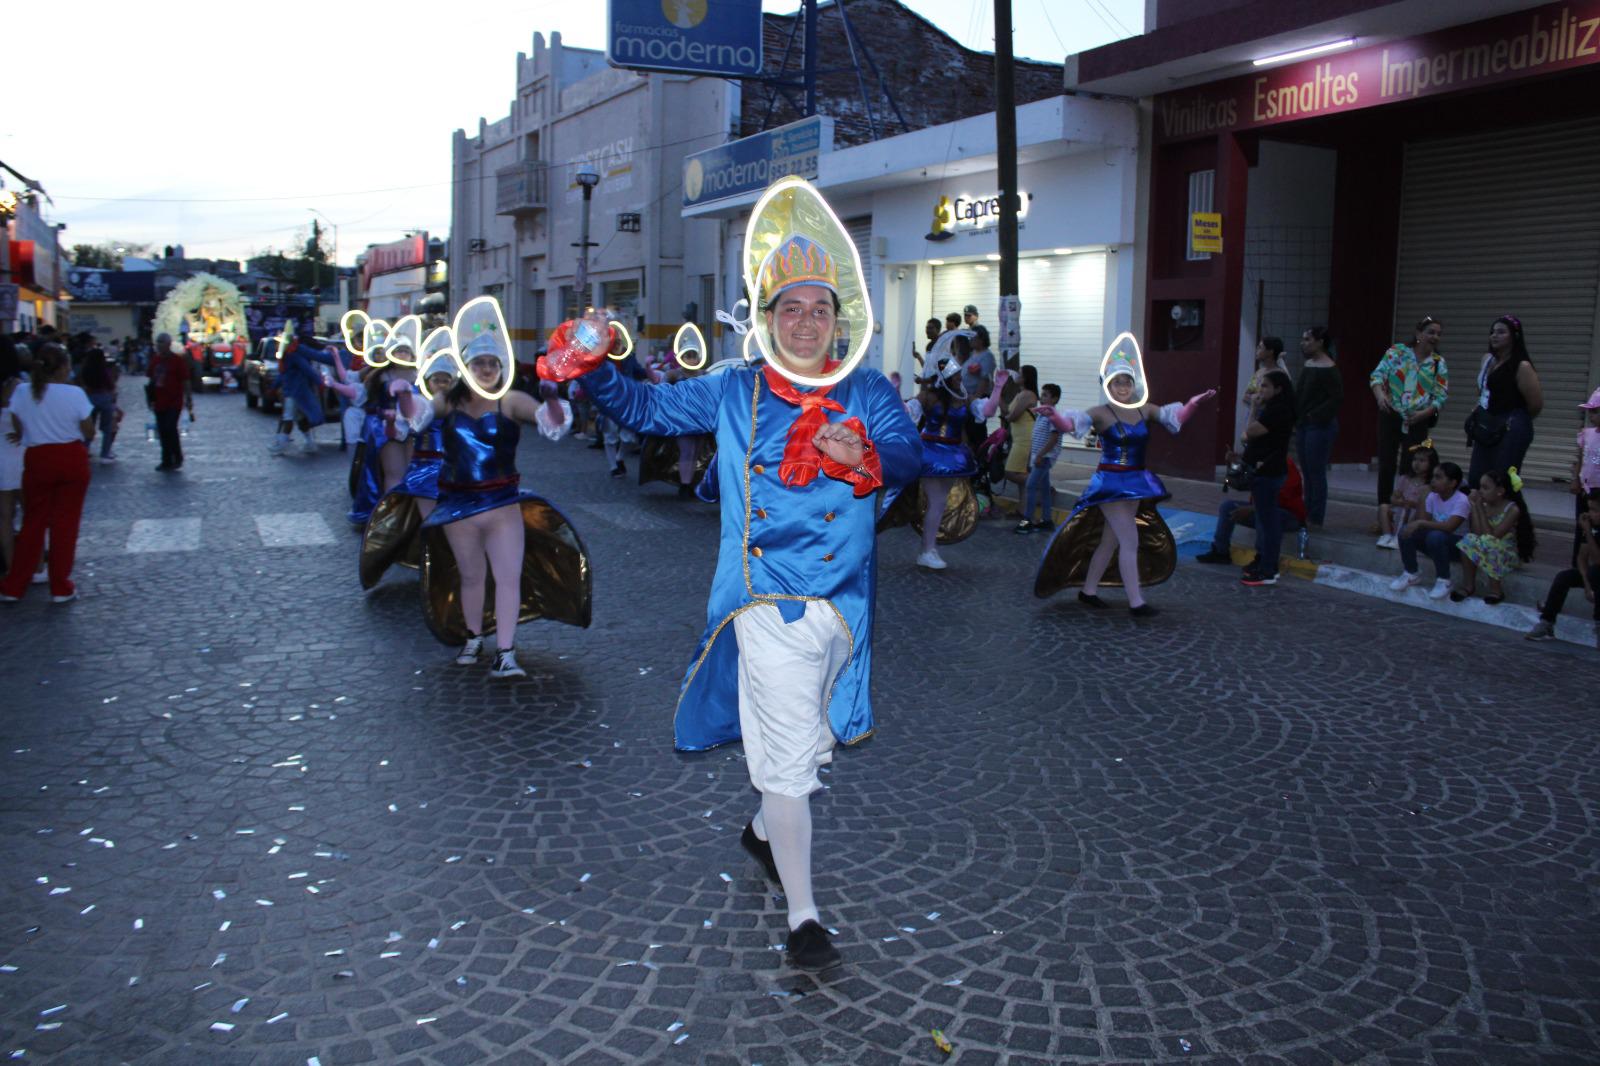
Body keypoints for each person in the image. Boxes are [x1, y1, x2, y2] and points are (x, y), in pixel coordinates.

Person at [539, 197, 921, 972]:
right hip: (763, 602)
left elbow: (912, 458)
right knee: (788, 755)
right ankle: (804, 915)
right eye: (792, 308)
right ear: (769, 316)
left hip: (844, 608)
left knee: (807, 749)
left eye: (821, 309)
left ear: (838, 319)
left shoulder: (870, 391)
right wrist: (596, 364)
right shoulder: (732, 389)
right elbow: (644, 407)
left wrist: (862, 459)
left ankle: (759, 831)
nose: (807, 323)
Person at [413, 309, 591, 678]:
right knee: (472, 576)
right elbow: (415, 419)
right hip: (458, 506)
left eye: (493, 363)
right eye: (479, 363)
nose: (487, 370)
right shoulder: (449, 400)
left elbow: (552, 425)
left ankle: (505, 652)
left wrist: (553, 399)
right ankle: (474, 637)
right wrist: (402, 397)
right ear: (467, 366)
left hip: (502, 503)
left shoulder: (508, 401)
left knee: (508, 576)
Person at [1032, 341, 1216, 614]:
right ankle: (1136, 602)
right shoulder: (1100, 413)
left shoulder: (1145, 410)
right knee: (1130, 540)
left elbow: (1174, 418)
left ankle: (1089, 590)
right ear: (1108, 385)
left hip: (1136, 482)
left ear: (1134, 384)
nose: (1122, 387)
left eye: (1127, 382)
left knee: (1112, 539)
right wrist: (1055, 416)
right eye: (1117, 383)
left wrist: (1191, 404)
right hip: (1111, 483)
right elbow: (1070, 426)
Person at [0, 345, 95, 604]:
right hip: (70, 459)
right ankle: (60, 587)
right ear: (64, 367)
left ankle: (14, 585)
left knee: (33, 522)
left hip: (38, 458)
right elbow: (88, 431)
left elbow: (18, 424)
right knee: (65, 525)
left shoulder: (22, 392)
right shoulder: (74, 394)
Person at [909, 348, 979, 570]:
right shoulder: (929, 396)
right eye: (957, 376)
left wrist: (997, 388)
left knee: (937, 504)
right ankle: (928, 550)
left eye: (960, 375)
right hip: (930, 453)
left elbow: (986, 409)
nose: (961, 379)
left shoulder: (963, 399)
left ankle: (928, 549)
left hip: (952, 456)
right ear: (946, 379)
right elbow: (909, 409)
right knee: (937, 503)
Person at [1370, 317, 1447, 510]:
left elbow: (1440, 395)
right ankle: (1384, 511)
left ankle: (1404, 512)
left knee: (1412, 466)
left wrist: (1425, 414)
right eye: (1431, 332)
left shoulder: (1438, 363)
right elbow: (1377, 376)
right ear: (1418, 334)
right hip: (1391, 414)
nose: (1435, 337)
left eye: (1438, 334)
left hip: (1417, 419)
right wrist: (1380, 397)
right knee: (1386, 464)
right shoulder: (1397, 352)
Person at [1465, 315, 1543, 489]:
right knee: (1477, 479)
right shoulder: (1487, 361)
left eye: (1501, 332)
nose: (1494, 336)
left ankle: (1513, 514)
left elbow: (1535, 404)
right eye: (1492, 332)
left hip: (1511, 426)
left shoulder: (1522, 366)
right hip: (1488, 425)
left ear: (1514, 336)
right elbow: (1482, 391)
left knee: (1502, 482)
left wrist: (1515, 419)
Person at [1237, 369, 1298, 586]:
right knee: (1263, 520)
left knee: (1268, 522)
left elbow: (1250, 432)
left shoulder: (1277, 410)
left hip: (1269, 471)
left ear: (1278, 389)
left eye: (1265, 386)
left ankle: (1268, 568)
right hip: (1265, 470)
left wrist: (1253, 407)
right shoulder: (1273, 408)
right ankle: (1262, 560)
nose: (1260, 390)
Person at [1195, 455, 1306, 566]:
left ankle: (1262, 559)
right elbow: (1238, 484)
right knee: (1227, 507)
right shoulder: (1257, 462)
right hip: (1260, 508)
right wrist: (1234, 465)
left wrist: (1252, 509)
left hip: (1289, 515)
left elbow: (1278, 499)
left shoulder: (1284, 464)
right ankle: (1220, 552)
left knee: (1263, 514)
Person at [1526, 488, 1600, 643]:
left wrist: (1588, 531)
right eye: (1590, 509)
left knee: (1595, 573)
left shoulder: (1591, 528)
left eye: (1594, 510)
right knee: (1564, 577)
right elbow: (1581, 557)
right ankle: (1547, 621)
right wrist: (1587, 586)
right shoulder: (1592, 526)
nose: (1590, 514)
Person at [1453, 467, 1535, 604]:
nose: (1480, 491)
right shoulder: (1483, 505)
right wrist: (1476, 508)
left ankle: (1496, 590)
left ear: (1500, 492)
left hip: (1507, 553)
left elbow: (1493, 536)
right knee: (1467, 540)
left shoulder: (1512, 509)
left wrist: (1480, 509)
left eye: (1485, 488)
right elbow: (1477, 533)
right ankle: (1468, 585)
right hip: (1488, 546)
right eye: (1480, 487)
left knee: (1490, 543)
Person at [1389, 460, 1469, 600]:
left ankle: (1444, 580)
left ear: (1452, 483)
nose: (1433, 481)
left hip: (1459, 546)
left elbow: (1449, 527)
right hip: (1437, 543)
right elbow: (1423, 522)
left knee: (1435, 536)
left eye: (1438, 477)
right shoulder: (1433, 496)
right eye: (1433, 477)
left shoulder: (1461, 500)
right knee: (1406, 531)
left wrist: (1420, 523)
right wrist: (1423, 497)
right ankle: (1411, 572)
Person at [1294, 326, 1342, 528]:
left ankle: (1315, 516)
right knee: (1306, 470)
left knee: (1316, 471)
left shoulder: (1329, 368)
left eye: (1308, 339)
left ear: (1320, 342)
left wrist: (1314, 415)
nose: (1303, 343)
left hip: (1319, 426)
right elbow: (1301, 394)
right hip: (1305, 424)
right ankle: (1306, 510)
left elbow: (1335, 399)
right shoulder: (1309, 364)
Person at [269, 324, 340, 456]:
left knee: (288, 417)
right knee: (299, 419)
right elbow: (283, 374)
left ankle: (282, 444)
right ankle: (309, 443)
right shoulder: (288, 355)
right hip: (293, 391)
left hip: (295, 392)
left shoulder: (293, 355)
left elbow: (307, 370)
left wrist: (319, 383)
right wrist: (274, 387)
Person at [1017, 382, 1062, 533]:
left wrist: (1041, 455)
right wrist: (1032, 454)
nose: (1042, 398)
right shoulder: (1042, 415)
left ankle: (1027, 520)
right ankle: (1047, 520)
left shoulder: (1053, 416)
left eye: (1046, 395)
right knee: (1044, 489)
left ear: (1055, 399)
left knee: (1030, 486)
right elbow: (1037, 437)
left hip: (1045, 457)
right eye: (1042, 395)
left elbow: (1054, 438)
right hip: (1039, 456)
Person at [1377, 441, 1437, 549]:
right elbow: (1394, 497)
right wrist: (1397, 501)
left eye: (1422, 461)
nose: (1417, 464)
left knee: (1407, 510)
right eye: (1415, 460)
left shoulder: (1430, 484)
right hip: (1401, 509)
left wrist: (1412, 504)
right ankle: (1387, 535)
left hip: (1415, 513)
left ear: (1431, 464)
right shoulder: (1405, 479)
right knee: (1383, 507)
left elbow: (1429, 505)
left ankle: (1400, 537)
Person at [147, 333, 192, 471]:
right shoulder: (155, 360)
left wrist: (188, 399)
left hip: (174, 401)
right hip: (159, 401)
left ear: (168, 344)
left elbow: (185, 380)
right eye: (157, 343)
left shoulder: (177, 361)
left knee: (170, 428)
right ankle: (166, 460)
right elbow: (151, 380)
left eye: (161, 342)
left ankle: (177, 457)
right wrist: (150, 398)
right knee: (162, 431)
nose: (159, 345)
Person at [1000, 364, 1040, 497]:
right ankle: (1023, 509)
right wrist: (997, 390)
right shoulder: (1021, 394)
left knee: (1010, 472)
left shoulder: (1028, 395)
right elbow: (1007, 410)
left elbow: (1013, 416)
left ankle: (1042, 486)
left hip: (1025, 439)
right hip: (1019, 438)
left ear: (1026, 378)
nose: (1016, 375)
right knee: (1020, 472)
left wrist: (1006, 417)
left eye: (1019, 373)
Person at [1571, 389, 1600, 565]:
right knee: (1582, 525)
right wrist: (1576, 479)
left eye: (1595, 411)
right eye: (1590, 411)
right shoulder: (1587, 434)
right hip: (1585, 488)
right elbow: (1580, 458)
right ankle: (1578, 564)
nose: (1591, 416)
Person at [79, 347, 121, 465]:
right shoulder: (103, 370)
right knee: (107, 428)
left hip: (90, 398)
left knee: (88, 427)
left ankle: (84, 450)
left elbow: (81, 382)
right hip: (104, 398)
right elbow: (110, 384)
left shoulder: (85, 369)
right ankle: (105, 453)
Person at [1241, 336, 1286, 418]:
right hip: (1254, 415)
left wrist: (1262, 400)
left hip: (1271, 417)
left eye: (1260, 347)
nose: (1257, 350)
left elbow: (1281, 401)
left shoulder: (1280, 374)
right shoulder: (1259, 372)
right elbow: (1246, 395)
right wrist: (1255, 399)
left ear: (1270, 352)